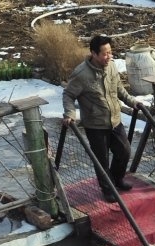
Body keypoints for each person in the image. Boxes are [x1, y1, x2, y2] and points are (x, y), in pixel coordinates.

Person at [62, 35, 137, 203]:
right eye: (105, 54)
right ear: (94, 54)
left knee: (124, 151)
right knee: (101, 160)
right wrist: (70, 114)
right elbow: (68, 95)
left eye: (110, 52)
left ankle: (117, 179)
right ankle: (107, 189)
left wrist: (132, 102)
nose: (109, 56)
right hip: (95, 125)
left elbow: (119, 88)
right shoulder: (81, 74)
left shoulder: (111, 66)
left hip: (114, 120)